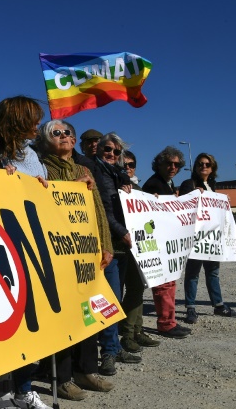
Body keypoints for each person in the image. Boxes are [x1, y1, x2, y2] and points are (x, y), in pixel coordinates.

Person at [34, 120, 114, 401]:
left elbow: (98, 210)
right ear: (45, 140)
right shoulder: (41, 167)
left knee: (89, 312)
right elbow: (43, 201)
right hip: (59, 252)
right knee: (64, 316)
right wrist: (71, 186)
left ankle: (87, 370)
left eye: (68, 132)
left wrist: (105, 244)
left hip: (86, 251)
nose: (64, 136)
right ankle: (63, 377)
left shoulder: (84, 170)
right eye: (56, 133)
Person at [91, 133, 142, 376]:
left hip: (122, 247)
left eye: (116, 151)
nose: (112, 154)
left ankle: (115, 346)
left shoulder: (118, 175)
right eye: (108, 149)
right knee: (109, 299)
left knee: (117, 297)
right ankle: (108, 352)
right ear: (99, 148)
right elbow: (104, 209)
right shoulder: (96, 171)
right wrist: (122, 232)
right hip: (108, 245)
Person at [179, 153, 236, 323]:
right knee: (192, 274)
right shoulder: (189, 184)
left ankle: (218, 305)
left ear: (212, 168)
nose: (203, 167)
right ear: (195, 167)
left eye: (207, 164)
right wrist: (193, 194)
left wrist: (224, 201)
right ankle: (190, 308)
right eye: (200, 164)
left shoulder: (212, 186)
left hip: (211, 239)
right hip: (196, 238)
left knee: (213, 272)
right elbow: (182, 205)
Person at [142, 147, 192, 339]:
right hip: (159, 244)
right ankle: (166, 324)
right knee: (164, 284)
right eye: (169, 163)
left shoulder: (167, 184)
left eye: (177, 164)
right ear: (159, 164)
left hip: (167, 242)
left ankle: (170, 321)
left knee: (170, 282)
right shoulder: (154, 184)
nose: (173, 167)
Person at [118, 150, 160, 352]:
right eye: (124, 164)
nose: (128, 168)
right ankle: (126, 334)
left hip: (139, 247)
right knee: (125, 291)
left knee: (137, 289)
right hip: (121, 247)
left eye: (131, 164)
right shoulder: (115, 185)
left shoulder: (137, 188)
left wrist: (154, 201)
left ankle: (136, 330)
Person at [0, 96, 47, 185]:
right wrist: (0, 175)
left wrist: (37, 184)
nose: (39, 122)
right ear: (17, 120)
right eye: (32, 117)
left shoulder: (36, 154)